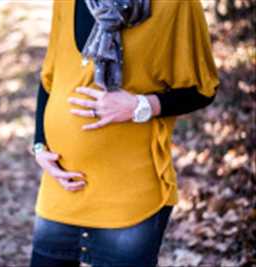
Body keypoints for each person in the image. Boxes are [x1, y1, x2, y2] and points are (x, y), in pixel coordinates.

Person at [29, 0, 220, 266]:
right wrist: (39, 144)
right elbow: (49, 79)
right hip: (61, 189)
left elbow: (202, 89)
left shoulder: (176, 5)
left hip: (130, 197)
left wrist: (140, 106)